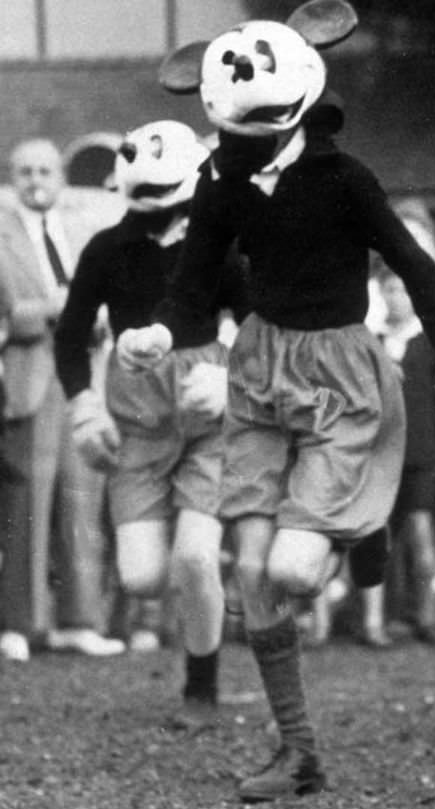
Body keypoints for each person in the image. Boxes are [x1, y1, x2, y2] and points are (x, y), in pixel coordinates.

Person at [122, 3, 435, 799]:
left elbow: (417, 269)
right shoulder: (221, 184)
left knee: (291, 566)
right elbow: (192, 290)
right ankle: (299, 751)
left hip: (341, 373)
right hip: (258, 369)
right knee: (253, 568)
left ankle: (365, 522)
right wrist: (158, 333)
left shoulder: (345, 179)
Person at [54, 121, 243, 724]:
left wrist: (231, 377)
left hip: (206, 417)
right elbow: (71, 336)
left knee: (194, 558)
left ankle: (202, 689)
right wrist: (83, 405)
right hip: (136, 424)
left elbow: (262, 322)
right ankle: (208, 585)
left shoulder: (217, 244)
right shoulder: (106, 248)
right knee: (141, 577)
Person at [0, 137, 124, 662]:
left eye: (45, 171)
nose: (35, 181)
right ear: (13, 179)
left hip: (82, 382)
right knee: (27, 505)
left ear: (61, 178)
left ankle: (78, 620)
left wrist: (97, 315)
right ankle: (21, 627)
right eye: (25, 172)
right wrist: (44, 309)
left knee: (81, 499)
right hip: (30, 379)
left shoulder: (82, 232)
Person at [377, 266, 435, 645]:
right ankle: (386, 618)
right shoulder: (371, 342)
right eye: (390, 290)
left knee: (421, 536)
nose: (397, 298)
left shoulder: (428, 343)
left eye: (404, 291)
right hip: (380, 457)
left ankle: (426, 615)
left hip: (421, 453)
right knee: (381, 536)